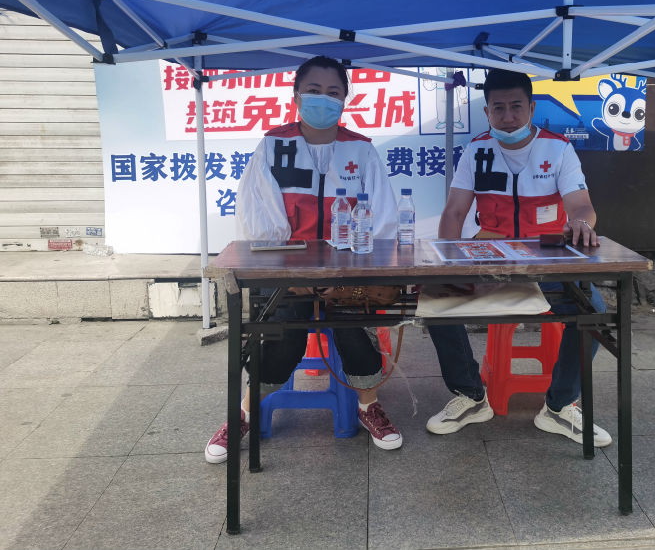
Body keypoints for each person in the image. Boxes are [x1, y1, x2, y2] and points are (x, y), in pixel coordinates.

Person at [205, 56, 402, 463]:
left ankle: (369, 406)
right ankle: (244, 413)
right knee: (282, 339)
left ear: (345, 99)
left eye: (333, 92)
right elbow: (260, 223)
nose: (323, 99)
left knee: (354, 331)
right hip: (287, 274)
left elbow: (381, 221)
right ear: (296, 96)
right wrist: (298, 275)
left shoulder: (361, 150)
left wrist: (347, 273)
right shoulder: (273, 146)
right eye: (313, 91)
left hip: (346, 273)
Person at [425, 68, 611, 447]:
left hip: (547, 259)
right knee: (436, 300)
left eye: (516, 107)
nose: (507, 117)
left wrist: (580, 223)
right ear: (487, 112)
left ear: (531, 108)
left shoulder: (558, 149)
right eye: (498, 108)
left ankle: (559, 406)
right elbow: (455, 212)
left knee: (593, 310)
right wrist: (448, 259)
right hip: (489, 256)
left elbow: (581, 205)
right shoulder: (476, 151)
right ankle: (471, 396)